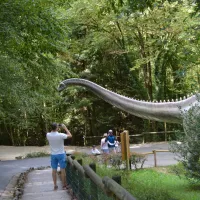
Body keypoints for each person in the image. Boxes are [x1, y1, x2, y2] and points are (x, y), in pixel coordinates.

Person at [46, 122, 72, 190]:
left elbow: (52, 132)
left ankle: (55, 185)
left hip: (53, 155)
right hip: (61, 154)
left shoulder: (48, 135)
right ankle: (64, 186)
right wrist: (65, 128)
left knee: (54, 170)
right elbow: (70, 135)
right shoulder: (61, 135)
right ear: (57, 128)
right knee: (62, 170)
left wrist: (56, 126)